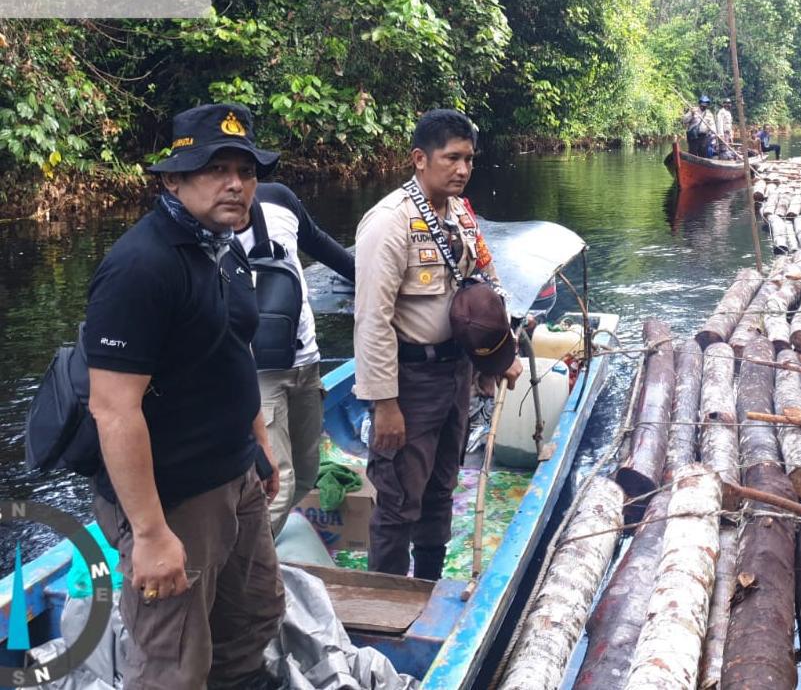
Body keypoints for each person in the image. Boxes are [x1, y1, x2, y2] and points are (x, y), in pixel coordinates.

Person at [85, 102, 284, 689]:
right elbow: (113, 407)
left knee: (254, 614)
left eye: (246, 170)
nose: (236, 184)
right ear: (172, 178)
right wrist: (149, 535)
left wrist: (258, 446)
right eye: (215, 169)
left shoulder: (225, 247)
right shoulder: (141, 267)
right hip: (172, 496)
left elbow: (235, 350)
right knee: (175, 660)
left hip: (235, 475)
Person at [353, 109, 522, 580]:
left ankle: (427, 587)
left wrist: (498, 356)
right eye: (452, 158)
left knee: (441, 488)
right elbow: (371, 320)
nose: (463, 169)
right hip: (410, 382)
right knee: (398, 499)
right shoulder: (390, 222)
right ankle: (385, 602)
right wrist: (384, 403)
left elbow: (487, 286)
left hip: (455, 376)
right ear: (419, 159)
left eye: (469, 159)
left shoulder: (462, 216)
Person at [235, 182, 355, 534]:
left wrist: (377, 282)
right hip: (257, 373)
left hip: (306, 362)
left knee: (304, 475)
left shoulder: (280, 198)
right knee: (278, 483)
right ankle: (241, 578)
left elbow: (324, 248)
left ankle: (258, 553)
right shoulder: (207, 220)